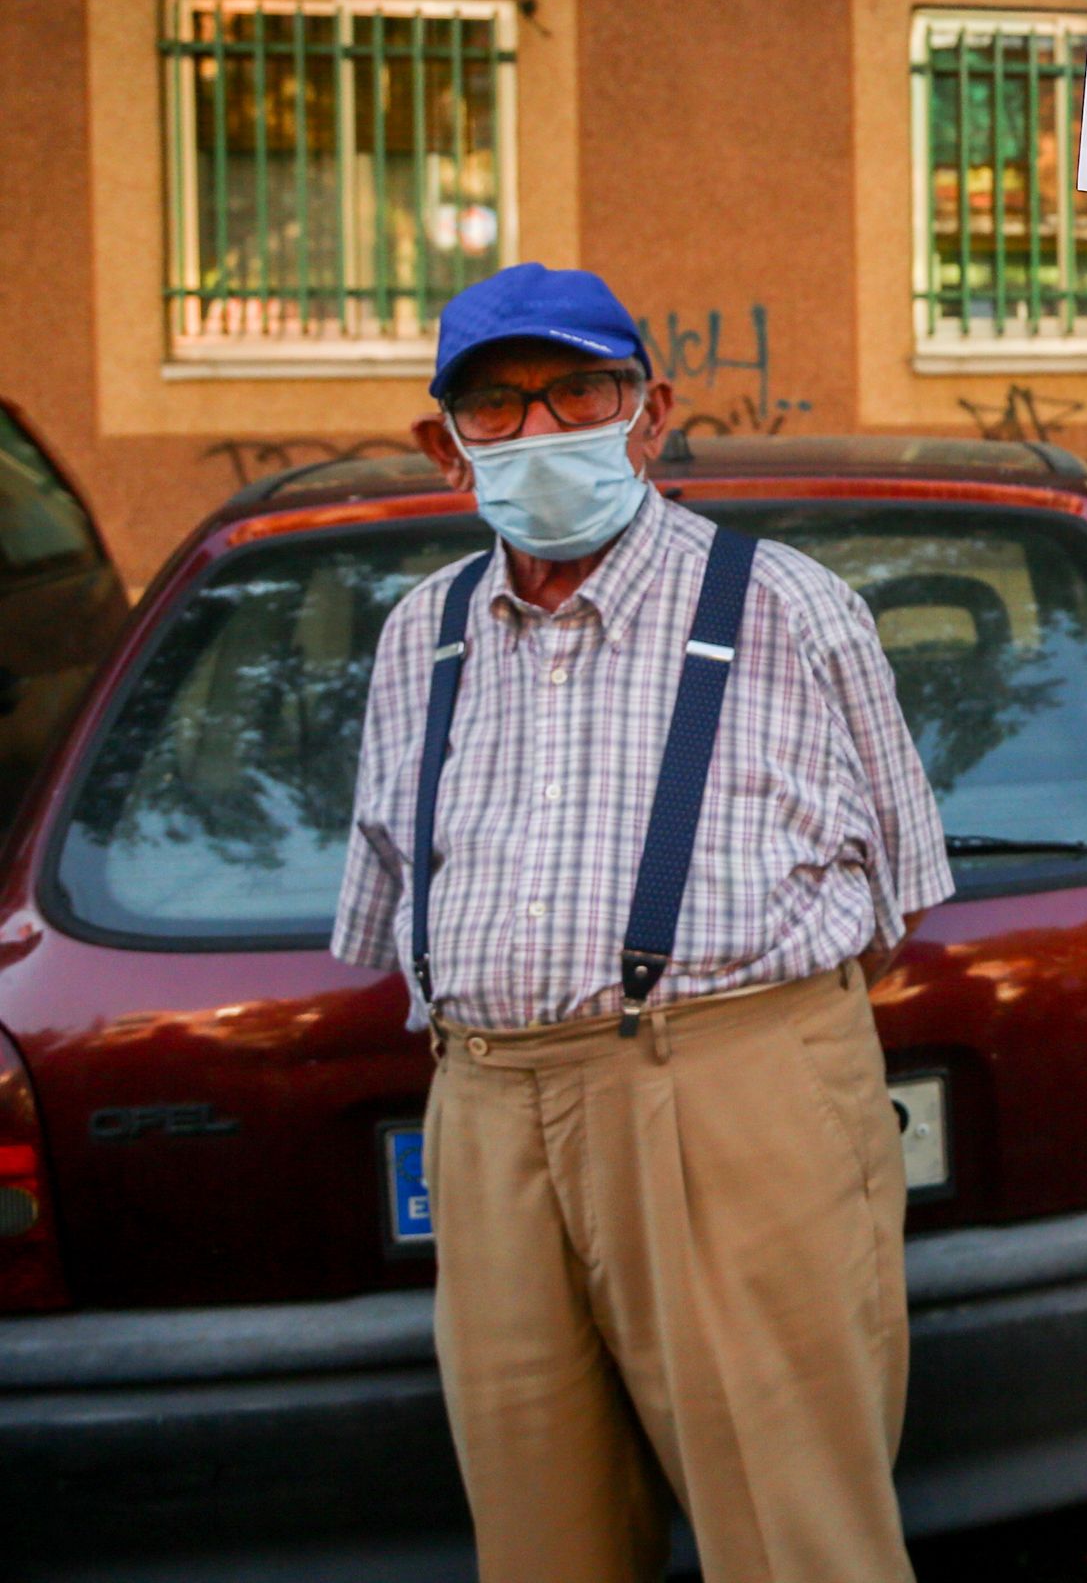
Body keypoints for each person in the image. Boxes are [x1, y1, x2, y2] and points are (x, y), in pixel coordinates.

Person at [333, 264, 951, 1583]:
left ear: (650, 413)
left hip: (730, 1093)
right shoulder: (416, 638)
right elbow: (390, 896)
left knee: (798, 1543)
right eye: (496, 406)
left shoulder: (787, 606)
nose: (542, 429)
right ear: (443, 448)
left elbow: (896, 896)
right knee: (541, 1537)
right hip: (488, 1113)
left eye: (580, 392)